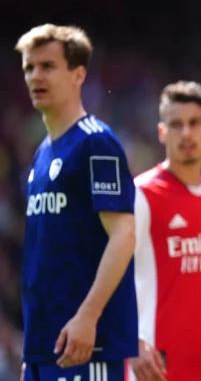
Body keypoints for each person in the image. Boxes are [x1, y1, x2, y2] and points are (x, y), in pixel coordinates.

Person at [17, 24, 138, 380]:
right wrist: (33, 352)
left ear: (78, 74)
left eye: (48, 66)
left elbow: (124, 236)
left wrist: (88, 315)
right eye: (29, 68)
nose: (35, 76)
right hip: (45, 350)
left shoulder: (96, 143)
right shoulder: (40, 155)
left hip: (88, 345)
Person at [130, 81, 201, 381]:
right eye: (176, 124)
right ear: (162, 132)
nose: (186, 133)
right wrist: (131, 340)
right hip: (159, 361)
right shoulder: (140, 194)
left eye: (194, 123)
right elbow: (109, 278)